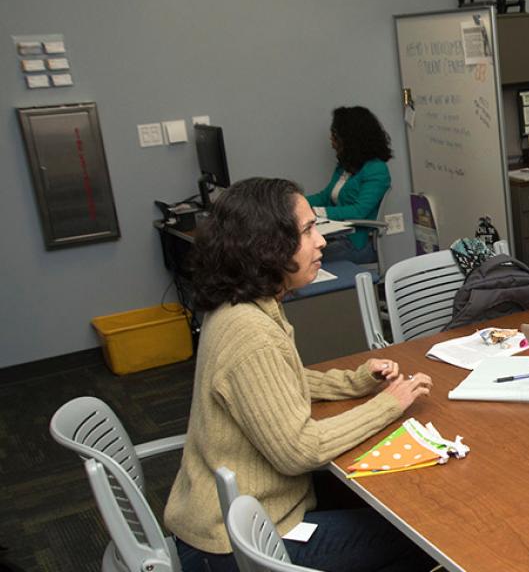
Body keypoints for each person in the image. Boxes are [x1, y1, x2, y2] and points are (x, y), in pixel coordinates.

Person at [164, 177, 435, 572]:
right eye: (308, 230)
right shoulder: (250, 333)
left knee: (378, 499)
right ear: (267, 246)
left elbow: (277, 382)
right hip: (236, 545)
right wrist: (388, 404)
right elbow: (299, 450)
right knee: (419, 536)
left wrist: (356, 382)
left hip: (238, 517)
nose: (321, 240)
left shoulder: (241, 308)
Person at [306, 106, 393, 265]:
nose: (331, 141)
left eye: (335, 135)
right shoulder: (346, 167)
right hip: (335, 235)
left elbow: (359, 211)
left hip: (357, 244)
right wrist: (295, 204)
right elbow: (325, 196)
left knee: (300, 259)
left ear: (351, 139)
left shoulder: (377, 170)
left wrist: (315, 212)